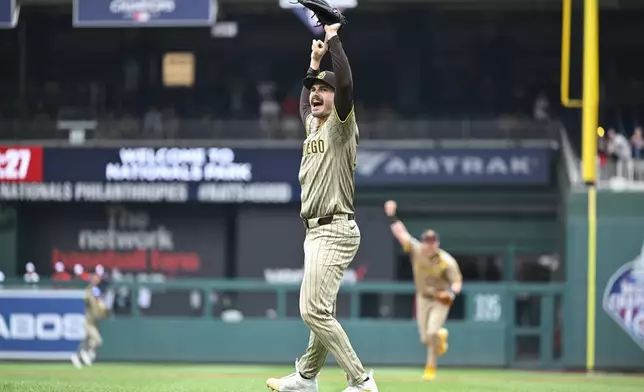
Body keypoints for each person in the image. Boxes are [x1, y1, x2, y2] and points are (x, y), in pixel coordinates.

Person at [266, 23, 378, 392]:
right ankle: (306, 378)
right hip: (316, 231)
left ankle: (361, 381)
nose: (316, 94)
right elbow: (302, 103)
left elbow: (344, 82)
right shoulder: (314, 126)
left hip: (334, 227)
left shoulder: (340, 126)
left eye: (323, 91)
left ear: (336, 99)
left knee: (312, 311)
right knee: (321, 312)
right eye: (315, 89)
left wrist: (332, 40)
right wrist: (313, 65)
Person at [384, 200, 463, 381]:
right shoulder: (416, 250)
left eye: (432, 241)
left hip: (440, 299)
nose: (429, 245)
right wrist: (391, 216)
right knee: (425, 338)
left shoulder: (446, 261)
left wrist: (451, 293)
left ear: (437, 243)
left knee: (432, 332)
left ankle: (430, 368)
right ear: (423, 242)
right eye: (427, 241)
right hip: (423, 297)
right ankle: (440, 339)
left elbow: (457, 281)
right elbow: (401, 233)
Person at [71, 274, 109, 369]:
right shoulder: (89, 290)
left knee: (86, 341)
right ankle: (87, 354)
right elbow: (88, 300)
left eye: (97, 279)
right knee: (97, 340)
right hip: (88, 321)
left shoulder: (96, 290)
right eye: (94, 279)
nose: (96, 280)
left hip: (94, 321)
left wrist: (102, 308)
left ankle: (76, 357)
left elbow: (99, 302)